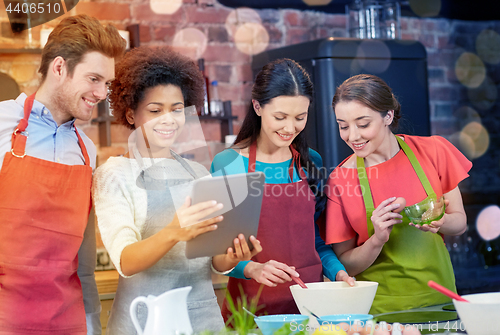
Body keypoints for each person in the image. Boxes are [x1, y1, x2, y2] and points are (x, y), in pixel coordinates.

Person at [92, 46, 261, 335]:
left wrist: (232, 255)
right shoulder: (115, 173)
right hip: (144, 321)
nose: (168, 119)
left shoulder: (197, 173)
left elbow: (213, 260)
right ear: (131, 114)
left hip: (203, 321)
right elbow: (125, 261)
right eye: (155, 110)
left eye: (177, 109)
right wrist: (174, 231)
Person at [0, 15, 126, 334]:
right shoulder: (2, 125)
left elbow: (83, 262)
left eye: (107, 84)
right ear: (59, 68)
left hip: (67, 321)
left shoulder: (86, 150)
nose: (102, 93)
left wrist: (93, 324)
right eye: (94, 79)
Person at [211, 58, 354, 319]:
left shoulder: (311, 162)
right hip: (251, 313)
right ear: (257, 106)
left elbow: (316, 242)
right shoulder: (228, 164)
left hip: (310, 308)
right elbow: (219, 257)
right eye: (280, 117)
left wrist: (338, 271)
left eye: (300, 117)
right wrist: (251, 269)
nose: (291, 128)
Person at [318, 74, 472, 314]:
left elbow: (460, 222)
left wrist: (441, 221)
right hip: (377, 313)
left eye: (363, 123)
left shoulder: (433, 152)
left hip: (440, 304)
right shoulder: (340, 179)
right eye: (343, 126)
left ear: (388, 116)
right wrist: (377, 239)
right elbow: (345, 264)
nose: (353, 136)